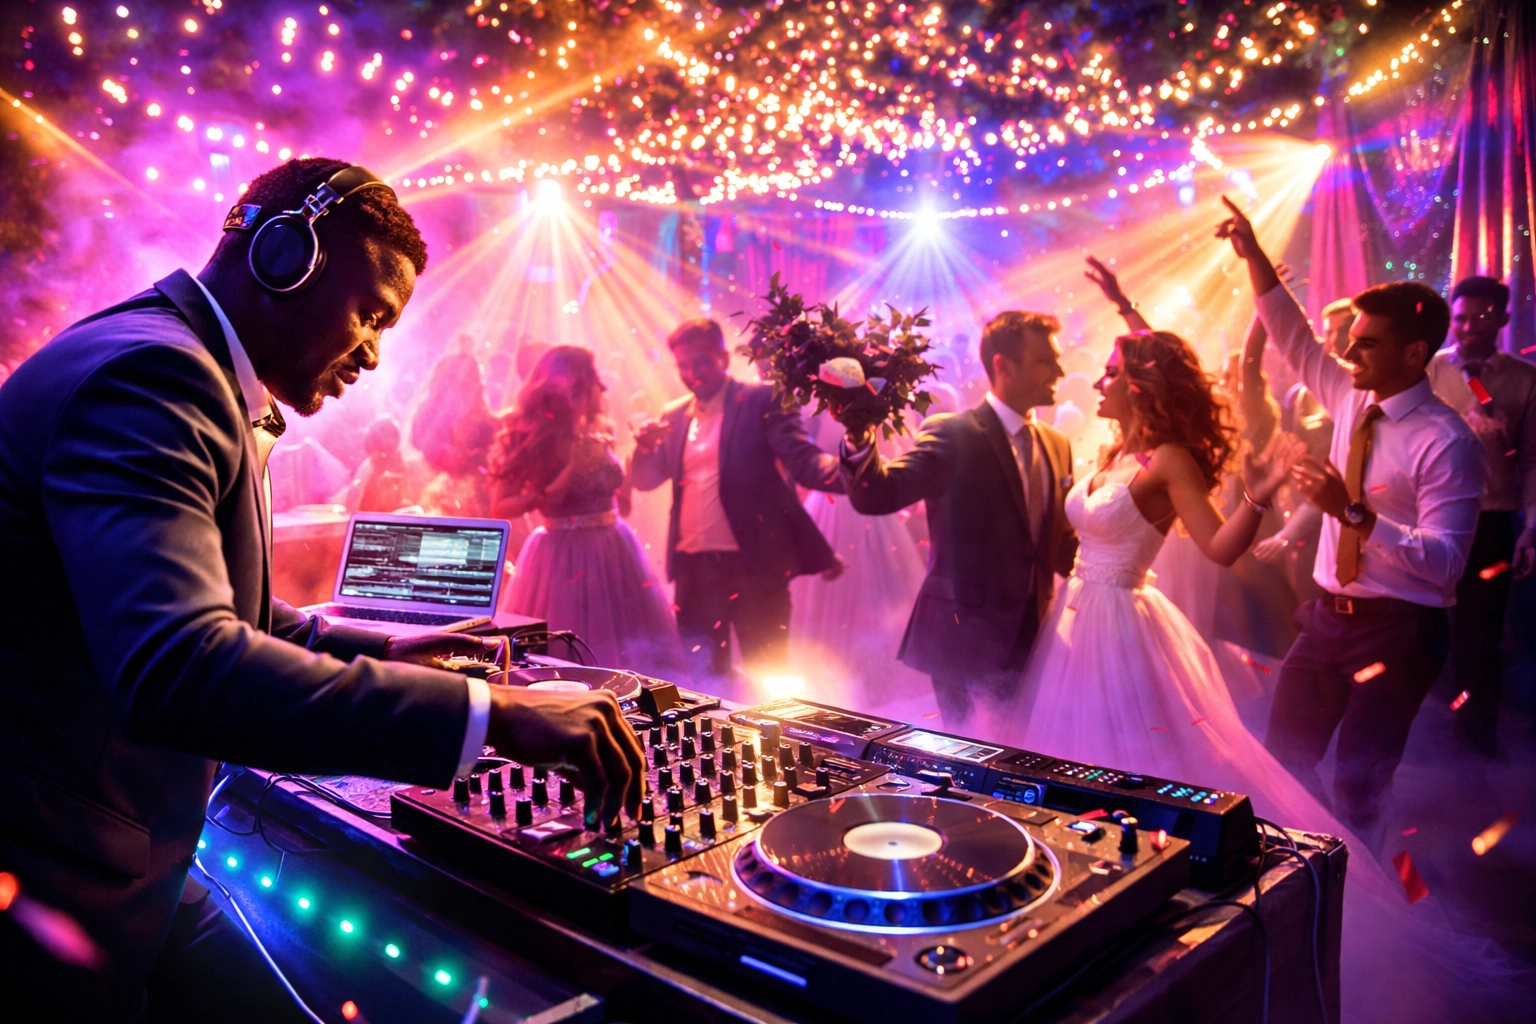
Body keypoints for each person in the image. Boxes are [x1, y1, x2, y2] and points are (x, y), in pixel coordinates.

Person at [0, 158, 643, 1021]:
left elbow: (225, 608)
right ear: (283, 256)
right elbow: (177, 666)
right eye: (370, 314)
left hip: (115, 851)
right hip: (50, 879)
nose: (373, 353)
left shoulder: (169, 359)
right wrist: (495, 718)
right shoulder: (154, 380)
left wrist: (385, 649)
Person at [1002, 326, 1523, 1024]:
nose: (1096, 382)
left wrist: (1260, 494)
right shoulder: (1106, 450)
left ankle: (1151, 933)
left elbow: (1218, 548)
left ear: (1140, 384)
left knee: (1137, 769)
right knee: (1069, 768)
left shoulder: (1171, 459)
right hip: (1074, 621)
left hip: (1124, 623)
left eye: (1109, 373)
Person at [1216, 196, 1487, 842]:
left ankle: (1360, 906)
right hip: (1324, 620)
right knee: (1283, 765)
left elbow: (1448, 563)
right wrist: (1255, 258)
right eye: (1350, 340)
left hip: (1398, 632)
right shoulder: (1348, 393)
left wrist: (1354, 514)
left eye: (1366, 343)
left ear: (1415, 352)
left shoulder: (1446, 442)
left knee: (1359, 787)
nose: (1348, 351)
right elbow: (1292, 334)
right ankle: (1290, 880)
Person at [836, 311, 1078, 730]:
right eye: (1045, 360)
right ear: (1003, 365)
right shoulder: (954, 433)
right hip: (962, 639)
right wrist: (859, 435)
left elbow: (1057, 546)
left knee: (1022, 759)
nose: (1060, 369)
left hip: (1035, 639)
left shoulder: (1057, 444)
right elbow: (879, 494)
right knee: (969, 760)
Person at [630, 319, 843, 692]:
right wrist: (645, 448)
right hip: (694, 574)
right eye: (683, 366)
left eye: (702, 363)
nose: (693, 375)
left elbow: (802, 460)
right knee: (703, 685)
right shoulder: (674, 415)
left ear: (724, 357)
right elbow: (645, 481)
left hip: (754, 569)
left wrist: (858, 470)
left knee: (770, 679)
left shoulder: (761, 400)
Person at [490, 346, 688, 680]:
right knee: (568, 657)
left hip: (616, 549)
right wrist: (559, 480)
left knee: (633, 654)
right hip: (561, 557)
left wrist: (640, 451)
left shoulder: (602, 427)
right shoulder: (535, 435)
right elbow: (500, 506)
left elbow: (620, 503)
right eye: (586, 383)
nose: (598, 390)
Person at [1426, 275, 1536, 756]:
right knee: (1425, 631)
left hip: (1491, 523)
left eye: (1482, 318)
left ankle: (1475, 745)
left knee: (1482, 638)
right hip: (1432, 521)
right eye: (1462, 318)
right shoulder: (1428, 371)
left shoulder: (1523, 378)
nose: (1469, 327)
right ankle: (1423, 738)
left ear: (1504, 320)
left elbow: (1533, 459)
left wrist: (1532, 525)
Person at [411, 350, 497, 517]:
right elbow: (429, 452)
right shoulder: (432, 416)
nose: (478, 384)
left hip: (480, 502)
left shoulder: (482, 417)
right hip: (440, 502)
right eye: (471, 379)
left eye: (477, 378)